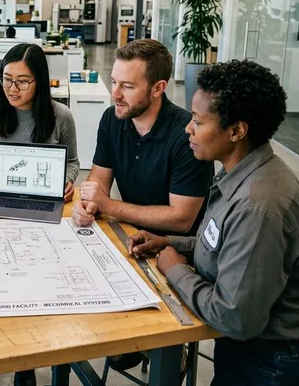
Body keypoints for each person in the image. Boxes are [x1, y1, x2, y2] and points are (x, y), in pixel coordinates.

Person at [129, 60, 299, 386]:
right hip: (252, 353)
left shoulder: (258, 206)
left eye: (198, 122)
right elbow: (227, 245)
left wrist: (176, 270)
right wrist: (169, 243)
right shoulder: (241, 172)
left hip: (276, 363)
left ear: (237, 131)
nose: (188, 129)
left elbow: (234, 316)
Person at [72, 39, 214, 371]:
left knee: (146, 338)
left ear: (158, 88)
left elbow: (181, 219)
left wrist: (107, 205)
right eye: (114, 82)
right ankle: (134, 340)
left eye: (127, 86)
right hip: (130, 236)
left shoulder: (187, 135)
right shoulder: (113, 119)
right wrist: (88, 204)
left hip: (176, 248)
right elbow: (98, 181)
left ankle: (164, 348)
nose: (115, 94)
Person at [0, 43, 79, 202]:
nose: (12, 89)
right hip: (0, 198)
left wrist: (67, 181)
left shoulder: (62, 116)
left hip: (44, 199)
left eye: (22, 82)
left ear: (39, 81)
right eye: (7, 79)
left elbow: (71, 161)